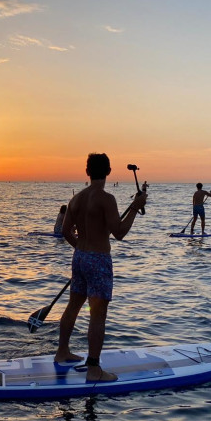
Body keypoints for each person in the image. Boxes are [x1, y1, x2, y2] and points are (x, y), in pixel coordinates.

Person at [54, 153, 148, 382]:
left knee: (73, 306)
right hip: (98, 259)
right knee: (98, 315)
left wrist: (83, 250)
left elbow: (66, 232)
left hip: (80, 257)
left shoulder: (76, 199)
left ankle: (62, 352)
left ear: (88, 172)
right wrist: (135, 207)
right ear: (108, 172)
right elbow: (120, 233)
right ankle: (94, 369)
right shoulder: (106, 198)